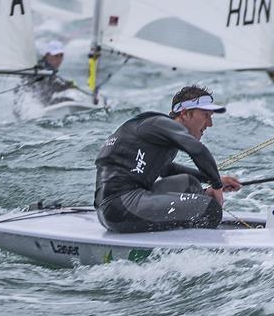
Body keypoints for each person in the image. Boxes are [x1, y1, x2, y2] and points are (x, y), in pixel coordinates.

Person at [94, 85, 242, 233]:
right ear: (184, 114)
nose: (210, 123)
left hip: (118, 205)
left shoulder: (160, 133)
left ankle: (187, 225)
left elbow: (167, 169)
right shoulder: (159, 124)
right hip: (119, 207)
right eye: (205, 115)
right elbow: (198, 150)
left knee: (189, 184)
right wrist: (216, 186)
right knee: (211, 210)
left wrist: (213, 181)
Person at [22, 40, 77, 106]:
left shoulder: (49, 69)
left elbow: (54, 83)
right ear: (47, 55)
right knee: (68, 101)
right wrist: (67, 85)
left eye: (61, 55)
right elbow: (47, 88)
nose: (59, 59)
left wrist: (68, 84)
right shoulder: (41, 68)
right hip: (27, 107)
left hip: (38, 103)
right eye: (56, 56)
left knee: (69, 100)